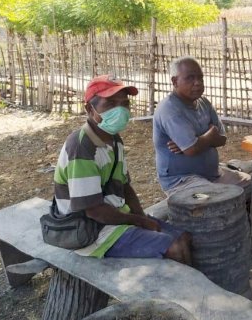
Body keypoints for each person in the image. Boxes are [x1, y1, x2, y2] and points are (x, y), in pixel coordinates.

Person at [53, 74, 191, 263]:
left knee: (183, 238)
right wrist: (139, 221)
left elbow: (125, 186)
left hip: (114, 218)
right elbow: (92, 211)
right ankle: (173, 291)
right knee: (174, 248)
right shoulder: (81, 146)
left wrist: (141, 217)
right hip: (90, 231)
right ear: (89, 109)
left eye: (124, 104)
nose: (120, 110)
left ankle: (187, 289)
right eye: (110, 104)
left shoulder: (114, 140)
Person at [154, 57, 250, 198]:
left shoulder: (203, 102)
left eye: (200, 78)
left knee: (251, 185)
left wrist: (198, 141)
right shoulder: (170, 109)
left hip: (212, 174)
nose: (197, 83)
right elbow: (192, 149)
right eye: (190, 78)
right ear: (175, 82)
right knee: (218, 199)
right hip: (181, 180)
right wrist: (209, 136)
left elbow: (222, 139)